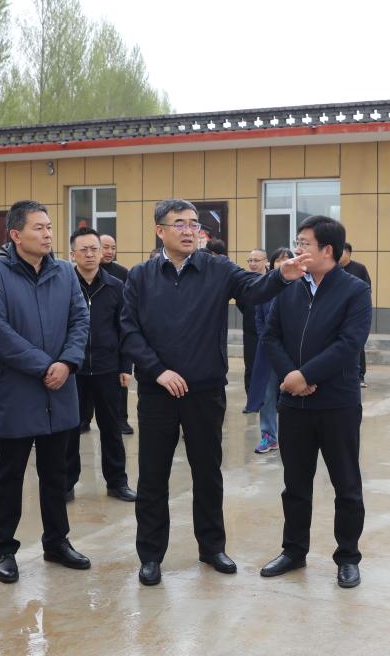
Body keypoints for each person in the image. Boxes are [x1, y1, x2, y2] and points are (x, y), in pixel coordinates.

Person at [120, 199, 310, 587]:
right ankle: (151, 555)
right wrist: (158, 371)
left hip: (204, 391)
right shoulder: (140, 276)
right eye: (179, 224)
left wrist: (281, 276)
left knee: (207, 473)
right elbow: (128, 330)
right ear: (159, 231)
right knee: (153, 477)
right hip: (157, 392)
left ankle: (212, 547)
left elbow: (253, 289)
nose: (189, 230)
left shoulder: (217, 268)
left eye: (194, 224)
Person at [0, 200, 91, 585]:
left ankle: (57, 542)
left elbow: (80, 319)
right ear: (15, 234)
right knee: (9, 476)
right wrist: (45, 366)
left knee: (56, 475)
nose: (47, 234)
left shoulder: (64, 272)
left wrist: (68, 362)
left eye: (49, 227)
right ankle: (4, 549)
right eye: (38, 228)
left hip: (60, 391)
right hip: (18, 393)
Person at [260, 215, 371, 589]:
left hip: (337, 403)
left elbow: (349, 344)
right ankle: (293, 551)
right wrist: (291, 377)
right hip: (294, 404)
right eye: (298, 242)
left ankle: (348, 557)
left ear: (328, 250)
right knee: (295, 484)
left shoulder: (354, 290)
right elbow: (270, 336)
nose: (298, 250)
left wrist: (306, 375)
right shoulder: (289, 287)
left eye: (304, 243)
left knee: (346, 485)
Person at [65, 228, 136, 503]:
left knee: (112, 429)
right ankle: (66, 483)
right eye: (83, 250)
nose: (90, 254)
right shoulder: (64, 284)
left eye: (94, 249)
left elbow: (125, 328)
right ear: (72, 254)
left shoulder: (116, 286)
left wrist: (125, 366)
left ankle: (117, 483)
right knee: (69, 430)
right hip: (72, 369)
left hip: (108, 369)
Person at [245, 247, 293, 453]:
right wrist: (267, 340)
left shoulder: (298, 286)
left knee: (292, 393)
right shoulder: (265, 286)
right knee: (267, 394)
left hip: (291, 350)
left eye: (287, 259)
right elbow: (258, 318)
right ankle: (269, 436)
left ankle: (293, 437)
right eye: (278, 260)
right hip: (267, 349)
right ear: (271, 264)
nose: (282, 263)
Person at [99, 234, 133, 435]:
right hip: (91, 337)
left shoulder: (122, 273)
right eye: (105, 247)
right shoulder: (81, 273)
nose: (110, 252)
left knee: (120, 381)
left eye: (113, 247)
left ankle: (122, 420)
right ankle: (84, 419)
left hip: (116, 335)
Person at [237, 248, 268, 412]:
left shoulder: (272, 279)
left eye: (256, 260)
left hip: (270, 330)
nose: (253, 264)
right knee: (251, 365)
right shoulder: (245, 281)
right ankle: (252, 401)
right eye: (250, 260)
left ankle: (273, 400)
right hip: (250, 330)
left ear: (266, 261)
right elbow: (241, 303)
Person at [339, 243, 372, 388]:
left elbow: (367, 289)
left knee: (357, 344)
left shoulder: (359, 268)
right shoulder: (334, 269)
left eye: (341, 251)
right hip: (338, 313)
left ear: (348, 253)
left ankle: (360, 375)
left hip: (355, 313)